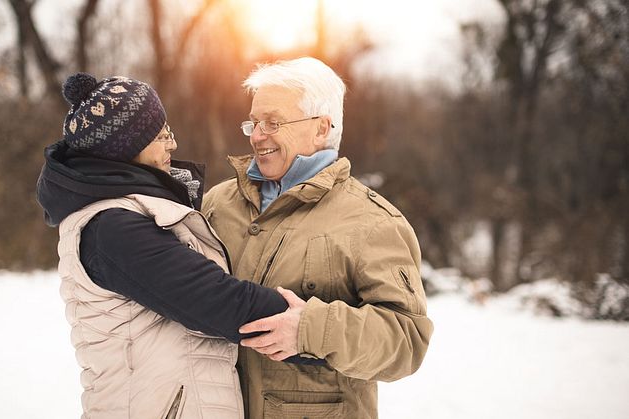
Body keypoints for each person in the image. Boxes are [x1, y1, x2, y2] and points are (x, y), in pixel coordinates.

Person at [36, 73, 319, 419]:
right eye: (160, 135)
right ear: (125, 149)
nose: (171, 145)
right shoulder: (113, 229)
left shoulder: (126, 213)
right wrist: (323, 329)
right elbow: (220, 302)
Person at [202, 57, 434, 418]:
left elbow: (406, 341)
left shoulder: (372, 222)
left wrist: (311, 329)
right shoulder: (218, 203)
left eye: (273, 122)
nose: (257, 135)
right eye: (254, 122)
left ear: (321, 128)